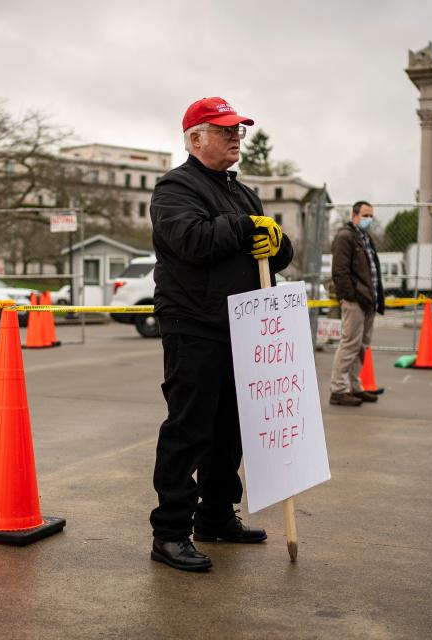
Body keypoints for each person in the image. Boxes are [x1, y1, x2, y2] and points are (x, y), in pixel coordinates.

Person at [148, 97, 294, 572]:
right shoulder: (175, 188)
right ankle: (171, 532)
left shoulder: (243, 193)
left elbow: (268, 248)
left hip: (243, 323)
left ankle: (215, 514)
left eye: (239, 131)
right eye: (225, 129)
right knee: (189, 428)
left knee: (230, 428)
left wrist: (280, 243)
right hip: (193, 323)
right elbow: (192, 239)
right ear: (195, 138)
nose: (236, 137)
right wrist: (248, 226)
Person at [329, 201, 384, 406]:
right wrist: (350, 296)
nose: (369, 219)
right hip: (356, 301)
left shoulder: (364, 237)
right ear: (355, 215)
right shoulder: (345, 237)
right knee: (350, 344)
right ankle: (338, 389)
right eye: (366, 215)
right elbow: (340, 271)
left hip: (368, 301)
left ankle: (354, 386)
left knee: (361, 346)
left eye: (371, 216)